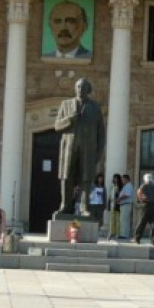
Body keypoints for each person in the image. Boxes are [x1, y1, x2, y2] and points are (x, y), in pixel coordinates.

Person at [54, 78, 105, 216]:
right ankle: (65, 205)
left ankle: (84, 207)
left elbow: (101, 133)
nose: (80, 90)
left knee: (86, 178)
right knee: (66, 177)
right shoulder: (66, 104)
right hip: (69, 148)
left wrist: (98, 153)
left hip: (88, 149)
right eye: (78, 87)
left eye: (83, 87)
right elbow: (57, 126)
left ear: (88, 90)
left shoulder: (95, 107)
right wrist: (69, 119)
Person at [133, 173, 154, 246]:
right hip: (153, 205)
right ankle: (153, 241)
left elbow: (139, 191)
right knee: (153, 224)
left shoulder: (145, 185)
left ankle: (137, 238)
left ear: (145, 179)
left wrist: (141, 199)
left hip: (146, 204)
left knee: (142, 222)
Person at [117, 174, 134, 239]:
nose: (122, 181)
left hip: (126, 204)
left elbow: (127, 195)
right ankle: (123, 233)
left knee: (124, 220)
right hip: (124, 205)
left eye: (123, 179)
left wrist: (119, 199)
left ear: (127, 179)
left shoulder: (128, 186)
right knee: (123, 220)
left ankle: (124, 234)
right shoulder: (126, 186)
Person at [107, 173, 122, 240]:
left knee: (117, 220)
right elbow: (110, 196)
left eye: (116, 178)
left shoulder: (120, 186)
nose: (114, 179)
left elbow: (120, 195)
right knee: (112, 220)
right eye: (114, 178)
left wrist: (118, 190)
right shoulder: (112, 186)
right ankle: (111, 233)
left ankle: (117, 233)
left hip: (118, 205)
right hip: (112, 204)